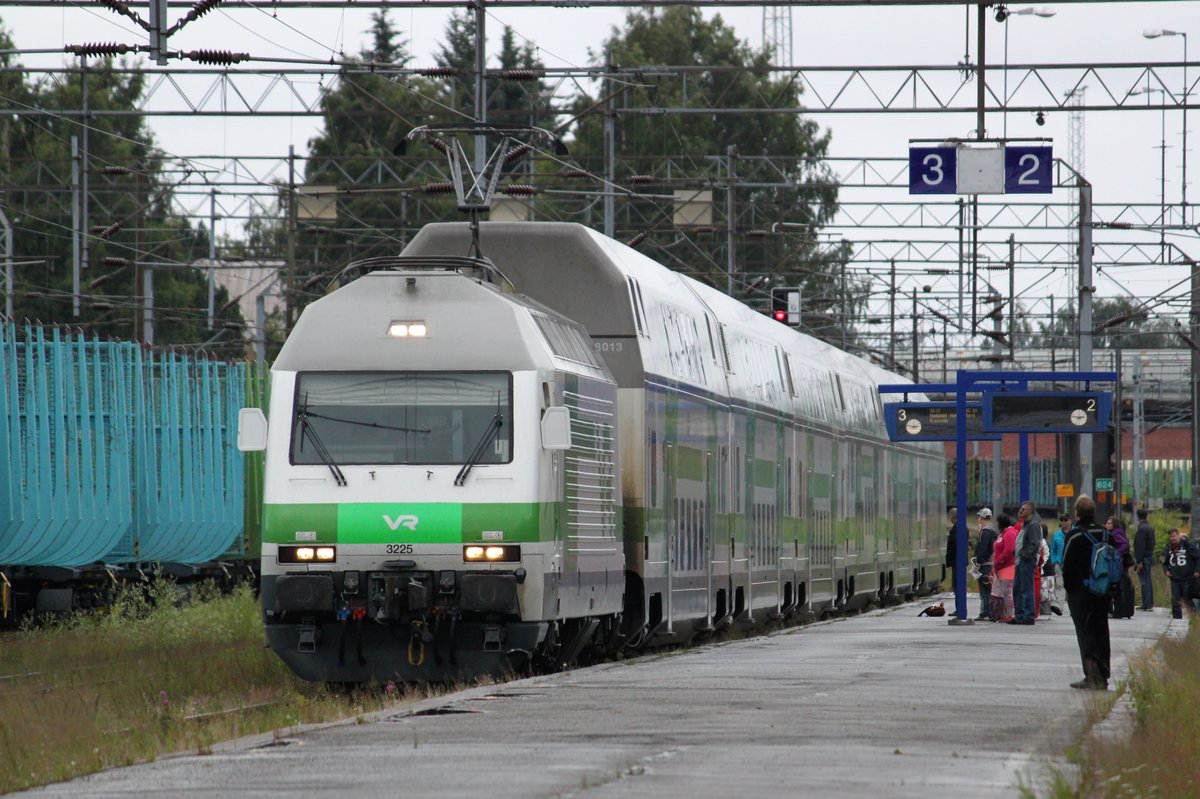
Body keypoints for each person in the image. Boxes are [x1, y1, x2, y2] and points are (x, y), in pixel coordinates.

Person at [1061, 495, 1110, 690]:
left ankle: (1091, 675)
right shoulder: (1106, 534)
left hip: (1081, 593)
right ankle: (1104, 674)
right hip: (1103, 592)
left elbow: (1067, 567)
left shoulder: (1075, 535)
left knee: (1085, 633)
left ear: (1077, 514)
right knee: (1101, 630)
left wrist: (1071, 590)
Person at [1011, 501, 1043, 625]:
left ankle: (1028, 616)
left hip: (1026, 561)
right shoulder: (1026, 524)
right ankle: (1019, 615)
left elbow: (1034, 544)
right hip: (1020, 561)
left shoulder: (1033, 525)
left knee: (1026, 588)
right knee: (1017, 589)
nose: (1020, 511)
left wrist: (1024, 555)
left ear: (1030, 511)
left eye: (1023, 509)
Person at [1161, 527, 1200, 620]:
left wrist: (1197, 570)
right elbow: (1165, 563)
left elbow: (1198, 557)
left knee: (1187, 599)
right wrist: (1166, 571)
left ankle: (1195, 618)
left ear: (1178, 535)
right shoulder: (1169, 547)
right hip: (1175, 578)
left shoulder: (1187, 545)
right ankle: (1176, 621)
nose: (1172, 538)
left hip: (1188, 577)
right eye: (1170, 537)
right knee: (1175, 601)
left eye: (1174, 536)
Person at [1105, 516, 1134, 619]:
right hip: (1117, 564)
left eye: (1109, 523)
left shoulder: (1115, 533)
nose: (1107, 525)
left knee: (1113, 587)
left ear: (1114, 524)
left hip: (1115, 564)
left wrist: (1116, 553)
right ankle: (1118, 610)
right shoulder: (1116, 532)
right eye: (1107, 523)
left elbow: (1125, 544)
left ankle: (1114, 611)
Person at [991, 512, 1018, 623]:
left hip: (1008, 567)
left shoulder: (1009, 533)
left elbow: (1009, 549)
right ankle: (1006, 614)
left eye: (997, 522)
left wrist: (998, 561)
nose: (996, 524)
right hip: (1001, 568)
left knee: (1007, 592)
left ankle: (1010, 614)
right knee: (1003, 592)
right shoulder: (1003, 534)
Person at [974, 507, 998, 621]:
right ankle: (990, 611)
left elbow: (983, 549)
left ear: (982, 518)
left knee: (984, 590)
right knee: (990, 588)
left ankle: (985, 612)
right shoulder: (994, 531)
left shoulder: (985, 532)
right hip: (992, 563)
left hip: (985, 565)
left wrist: (978, 562)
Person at [1133, 508, 1156, 611]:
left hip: (1144, 558)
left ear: (1138, 516)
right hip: (1149, 555)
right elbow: (1153, 542)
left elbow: (1139, 546)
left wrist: (1138, 561)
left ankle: (1146, 604)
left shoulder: (1141, 528)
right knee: (1148, 580)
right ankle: (1149, 602)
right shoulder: (1150, 527)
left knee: (1144, 581)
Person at [1048, 513, 1069, 616]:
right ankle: (1059, 606)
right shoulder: (1057, 535)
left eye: (1065, 520)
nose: (1063, 522)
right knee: (1060, 585)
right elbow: (1053, 549)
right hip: (1059, 563)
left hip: (1072, 563)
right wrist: (1055, 561)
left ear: (1070, 521)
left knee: (1072, 586)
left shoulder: (1074, 532)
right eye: (1062, 520)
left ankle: (1074, 609)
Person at [944, 507, 958, 612]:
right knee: (956, 586)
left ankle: (959, 609)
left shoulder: (956, 528)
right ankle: (958, 608)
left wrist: (948, 560)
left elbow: (953, 546)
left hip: (956, 561)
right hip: (957, 561)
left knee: (957, 586)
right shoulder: (959, 527)